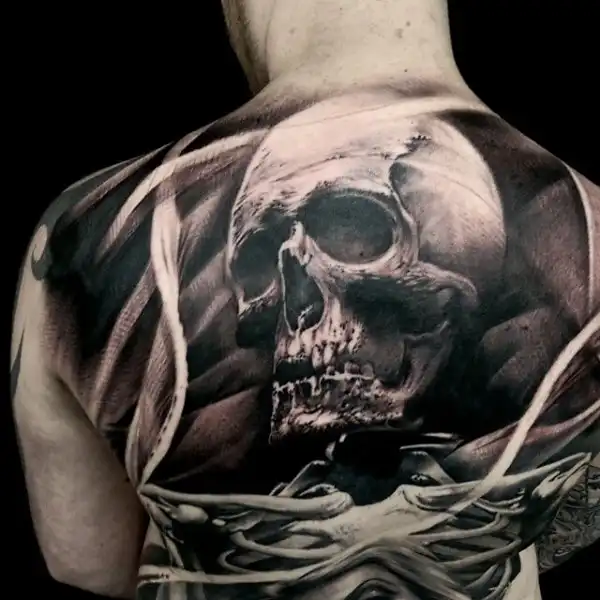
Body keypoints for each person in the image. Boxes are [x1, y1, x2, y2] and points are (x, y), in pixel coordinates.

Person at [11, 1, 599, 599]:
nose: (298, 310)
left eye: (356, 233)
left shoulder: (76, 246)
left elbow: (90, 565)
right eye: (261, 259)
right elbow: (568, 517)